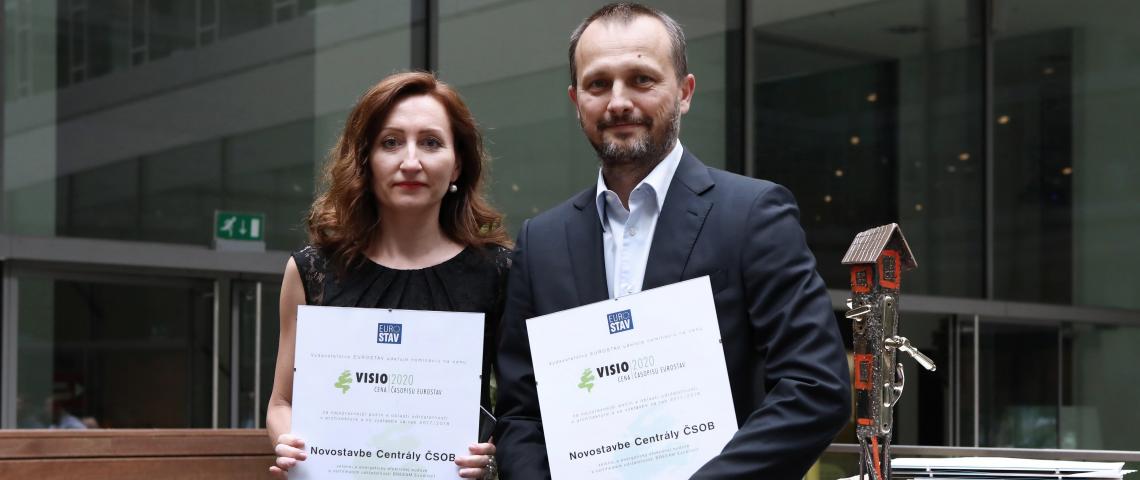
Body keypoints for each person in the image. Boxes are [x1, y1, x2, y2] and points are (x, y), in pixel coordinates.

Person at [493, 3, 851, 478]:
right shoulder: (542, 242)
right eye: (598, 84)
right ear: (577, 100)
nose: (618, 102)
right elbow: (521, 415)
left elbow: (815, 387)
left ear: (684, 92)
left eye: (641, 79)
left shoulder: (752, 215)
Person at [266, 72, 509, 479]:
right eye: (391, 142)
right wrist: (287, 441)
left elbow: (523, 410)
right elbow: (281, 403)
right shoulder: (312, 271)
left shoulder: (498, 273)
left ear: (457, 165)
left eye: (431, 142)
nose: (410, 162)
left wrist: (490, 454)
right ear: (365, 160)